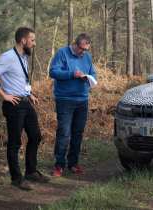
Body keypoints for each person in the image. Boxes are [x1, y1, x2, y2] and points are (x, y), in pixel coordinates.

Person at [0, 27, 49, 191]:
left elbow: (22, 79)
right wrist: (3, 95)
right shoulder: (8, 57)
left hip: (25, 102)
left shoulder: (23, 57)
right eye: (32, 40)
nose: (34, 43)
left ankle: (31, 172)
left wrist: (30, 93)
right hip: (13, 105)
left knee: (35, 136)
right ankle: (16, 178)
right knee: (14, 143)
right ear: (23, 40)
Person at [49, 33, 97, 177]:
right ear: (75, 45)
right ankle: (59, 165)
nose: (83, 52)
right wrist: (72, 74)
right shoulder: (62, 53)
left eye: (86, 49)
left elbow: (93, 74)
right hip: (64, 99)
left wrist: (89, 79)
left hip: (82, 100)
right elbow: (53, 72)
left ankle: (73, 163)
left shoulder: (87, 57)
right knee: (64, 133)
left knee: (78, 133)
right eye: (81, 49)